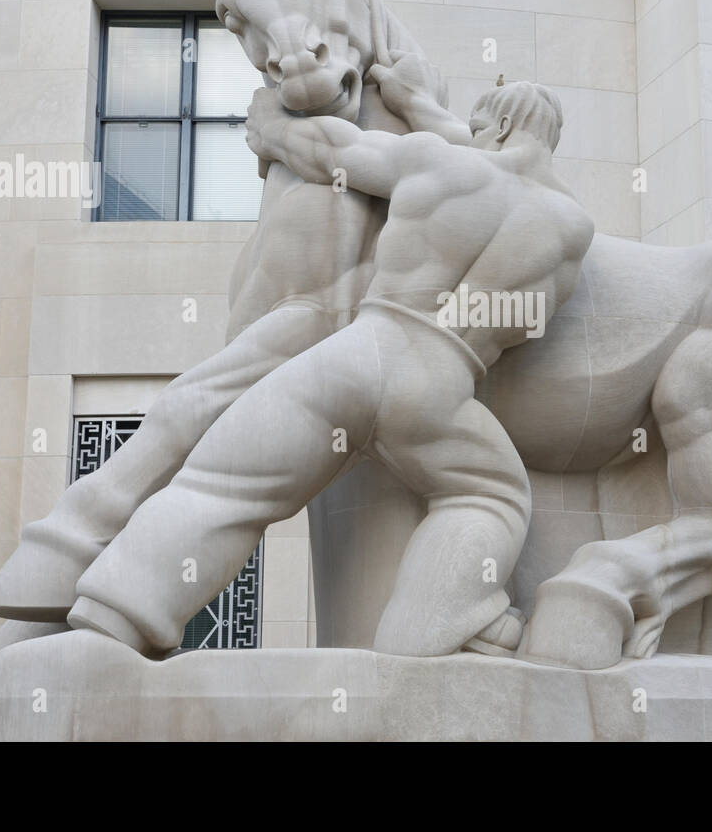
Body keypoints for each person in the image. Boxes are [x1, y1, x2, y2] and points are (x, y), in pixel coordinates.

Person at [65, 76, 595, 658]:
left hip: (361, 351)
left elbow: (331, 153)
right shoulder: (570, 227)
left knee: (221, 482)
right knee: (494, 493)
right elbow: (527, 326)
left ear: (496, 127)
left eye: (475, 128)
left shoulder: (437, 164)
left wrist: (271, 127)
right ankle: (432, 624)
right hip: (443, 384)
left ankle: (114, 613)